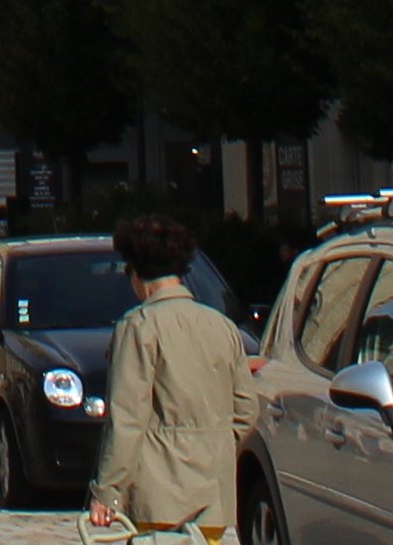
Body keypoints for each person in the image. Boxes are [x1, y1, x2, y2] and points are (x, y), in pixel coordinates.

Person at [87, 213, 249, 545]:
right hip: (214, 494)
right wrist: (216, 442)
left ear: (135, 271)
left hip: (157, 492)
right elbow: (247, 409)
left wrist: (107, 491)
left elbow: (127, 418)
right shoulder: (222, 327)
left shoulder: (139, 327)